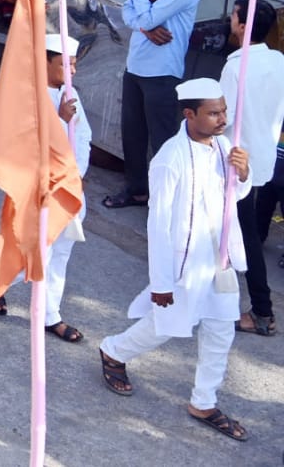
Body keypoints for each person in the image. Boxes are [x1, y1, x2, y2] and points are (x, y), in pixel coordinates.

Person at [98, 77, 252, 443]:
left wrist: (243, 174)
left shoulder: (224, 147)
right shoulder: (169, 159)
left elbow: (234, 196)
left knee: (220, 331)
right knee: (166, 325)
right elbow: (159, 224)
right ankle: (113, 349)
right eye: (213, 113)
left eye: (224, 110)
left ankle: (204, 401)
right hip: (185, 265)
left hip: (220, 261)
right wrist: (162, 283)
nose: (222, 118)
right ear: (189, 114)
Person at [0, 35, 93, 342]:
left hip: (68, 187)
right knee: (32, 250)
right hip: (37, 188)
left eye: (74, 64)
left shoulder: (72, 95)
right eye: (64, 64)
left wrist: (75, 174)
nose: (72, 71)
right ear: (45, 61)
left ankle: (50, 315)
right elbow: (29, 144)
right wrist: (59, 121)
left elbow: (83, 139)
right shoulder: (28, 96)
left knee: (60, 253)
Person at [106, 0, 201, 210]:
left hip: (162, 72)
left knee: (162, 138)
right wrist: (146, 29)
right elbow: (127, 12)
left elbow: (142, 15)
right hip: (136, 65)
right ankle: (136, 189)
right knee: (132, 133)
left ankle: (165, 199)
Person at [219, 0, 284, 336]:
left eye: (233, 16)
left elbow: (221, 116)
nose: (229, 20)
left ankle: (262, 311)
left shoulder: (236, 66)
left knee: (242, 235)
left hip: (235, 160)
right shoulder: (279, 62)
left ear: (243, 27)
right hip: (261, 157)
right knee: (239, 229)